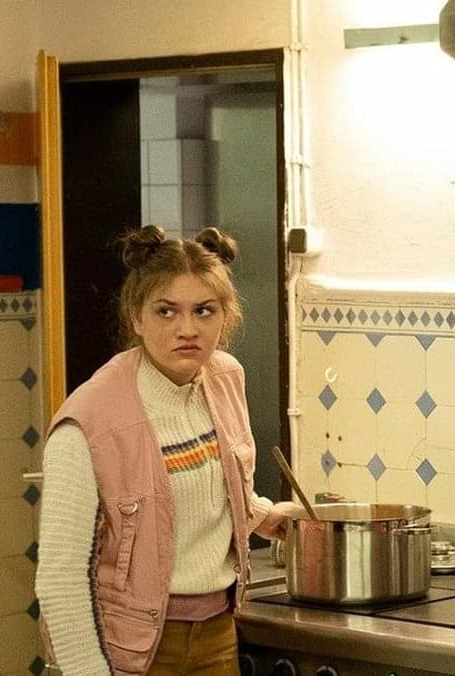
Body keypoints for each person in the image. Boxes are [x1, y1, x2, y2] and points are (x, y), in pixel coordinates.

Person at [37, 226, 300, 676]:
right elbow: (60, 579)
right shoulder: (89, 421)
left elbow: (200, 487)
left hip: (217, 633)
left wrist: (261, 514)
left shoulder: (224, 378)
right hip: (131, 647)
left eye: (204, 310)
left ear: (225, 316)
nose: (187, 329)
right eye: (166, 311)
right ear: (136, 318)